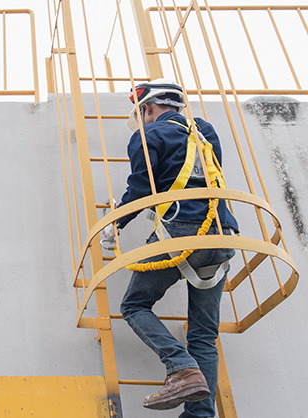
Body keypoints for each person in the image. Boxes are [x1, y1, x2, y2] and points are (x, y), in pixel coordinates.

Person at [108, 79, 239, 417]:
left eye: (141, 114)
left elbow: (141, 188)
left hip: (180, 232)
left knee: (135, 305)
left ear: (148, 108)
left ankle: (180, 367)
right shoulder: (205, 131)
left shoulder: (148, 135)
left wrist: (117, 223)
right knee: (203, 335)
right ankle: (199, 415)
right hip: (222, 234)